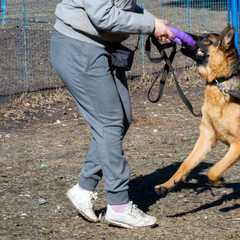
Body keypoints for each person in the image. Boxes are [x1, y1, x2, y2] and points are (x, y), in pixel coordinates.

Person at [50, 0, 175, 228]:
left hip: (102, 47)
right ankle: (119, 205)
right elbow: (104, 16)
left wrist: (155, 24)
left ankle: (83, 189)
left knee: (122, 119)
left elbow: (125, 7)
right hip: (79, 46)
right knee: (109, 123)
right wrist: (149, 25)